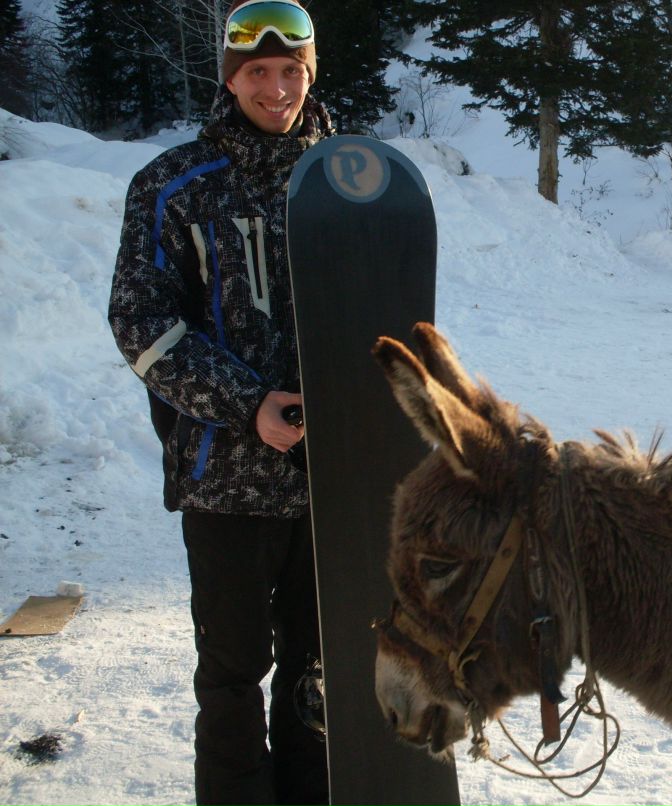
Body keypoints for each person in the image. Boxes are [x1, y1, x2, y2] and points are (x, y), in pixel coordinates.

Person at [108, 2, 330, 803]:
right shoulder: (174, 185)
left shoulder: (349, 180)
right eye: (257, 72)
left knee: (317, 677)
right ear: (230, 79)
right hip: (224, 480)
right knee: (233, 681)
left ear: (310, 72)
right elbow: (139, 322)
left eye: (291, 70)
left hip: (329, 485)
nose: (276, 89)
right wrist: (248, 404)